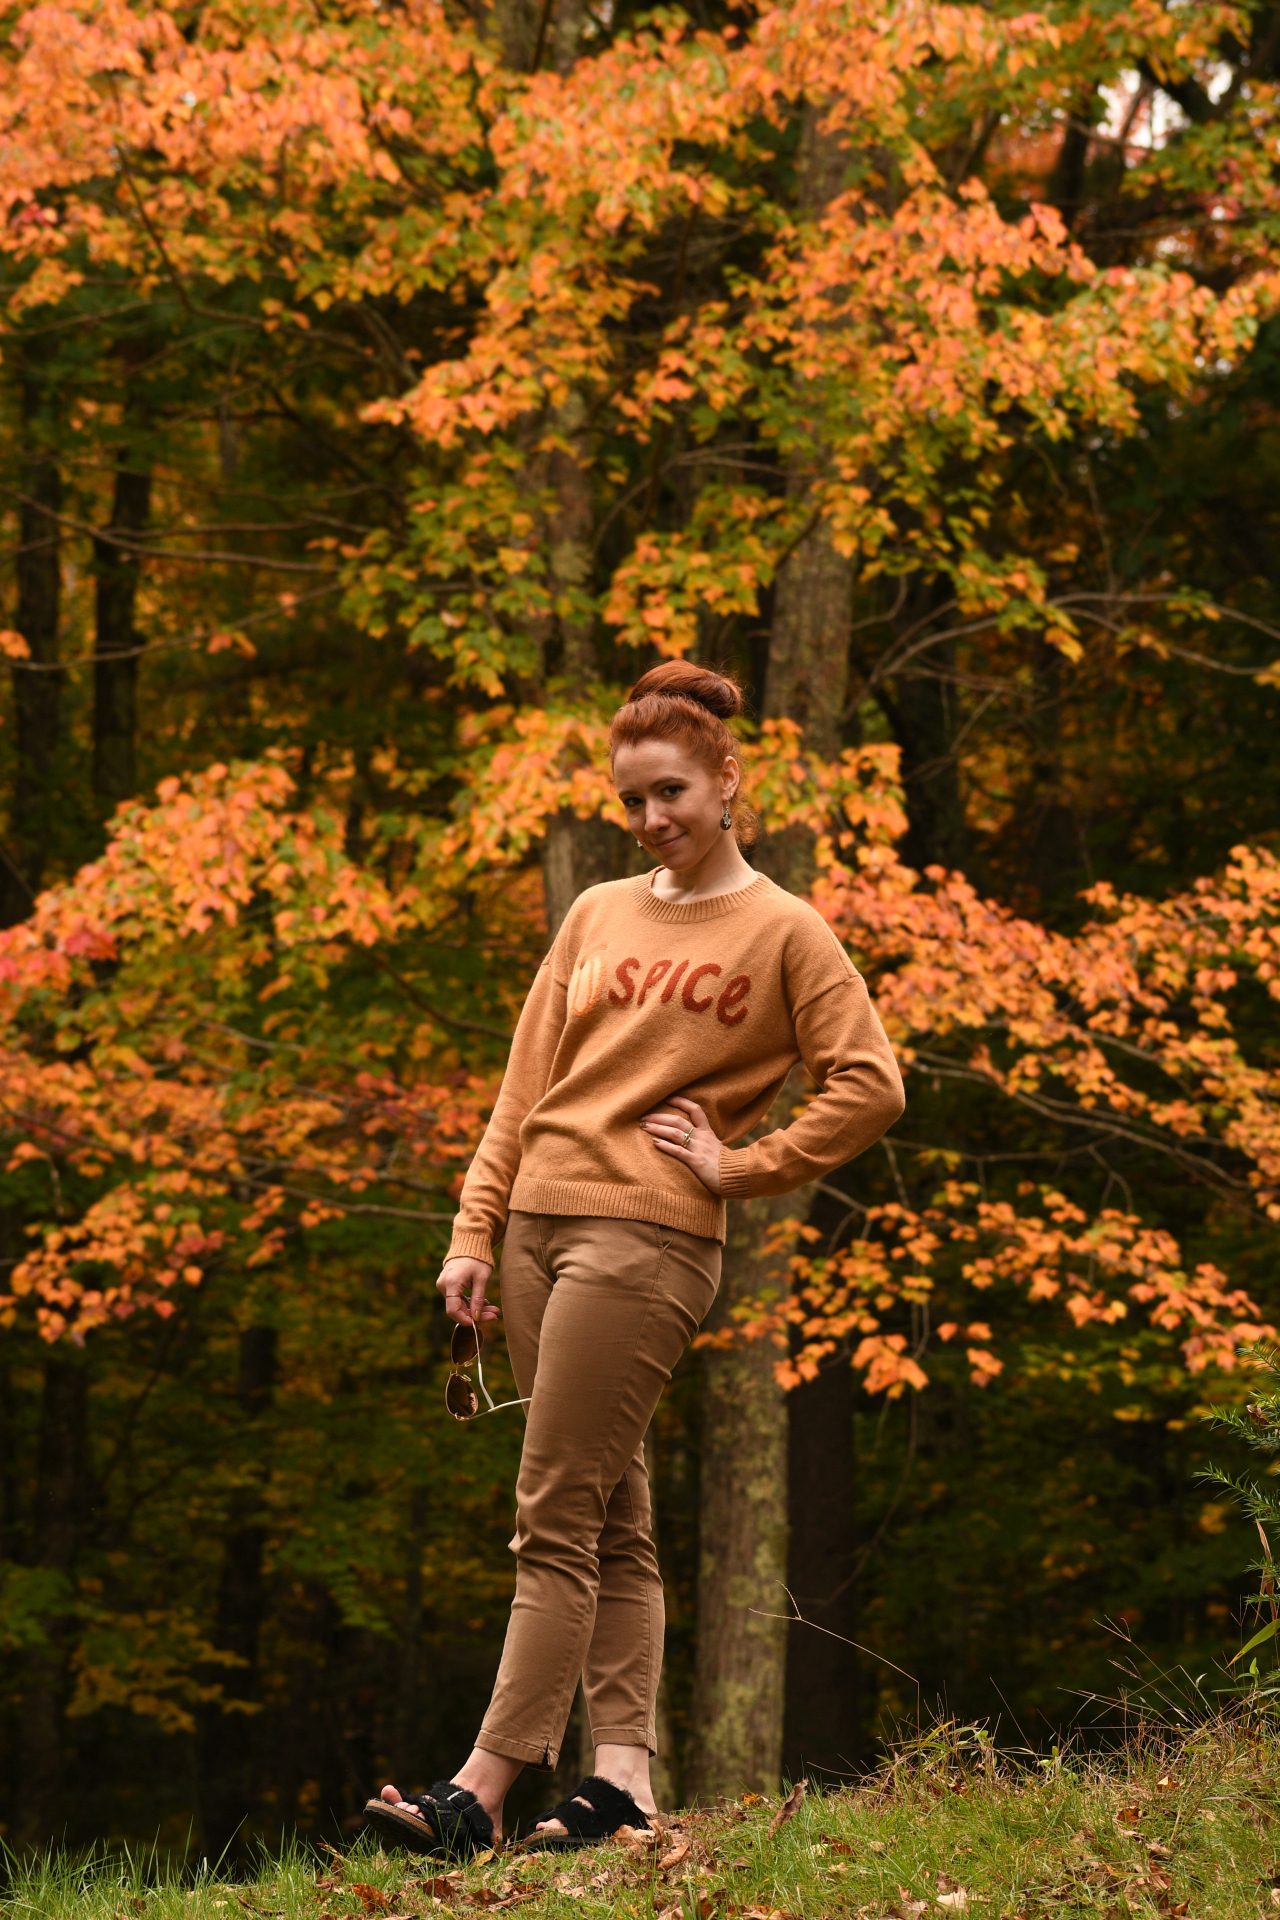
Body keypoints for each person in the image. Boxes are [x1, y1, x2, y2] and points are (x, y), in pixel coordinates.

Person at [361, 659, 905, 1858]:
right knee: (610, 1520)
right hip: (535, 1231)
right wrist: (471, 1230)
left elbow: (870, 1085)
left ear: (724, 783)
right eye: (630, 802)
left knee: (550, 1513)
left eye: (669, 792)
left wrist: (741, 1165)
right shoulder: (596, 912)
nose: (651, 819)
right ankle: (619, 1784)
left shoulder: (783, 930)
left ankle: (479, 1789)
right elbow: (523, 1090)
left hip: (647, 1238)